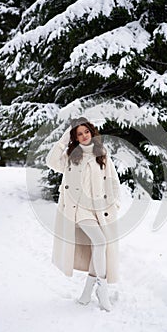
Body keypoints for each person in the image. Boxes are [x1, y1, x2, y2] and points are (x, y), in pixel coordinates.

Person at [46, 117, 121, 312]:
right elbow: (51, 161)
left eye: (86, 132)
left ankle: (88, 291)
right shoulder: (72, 157)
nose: (84, 136)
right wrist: (63, 139)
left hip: (99, 209)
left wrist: (115, 203)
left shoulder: (102, 154)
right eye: (79, 134)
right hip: (79, 210)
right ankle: (102, 290)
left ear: (91, 132)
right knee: (101, 242)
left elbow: (113, 181)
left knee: (100, 246)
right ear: (75, 138)